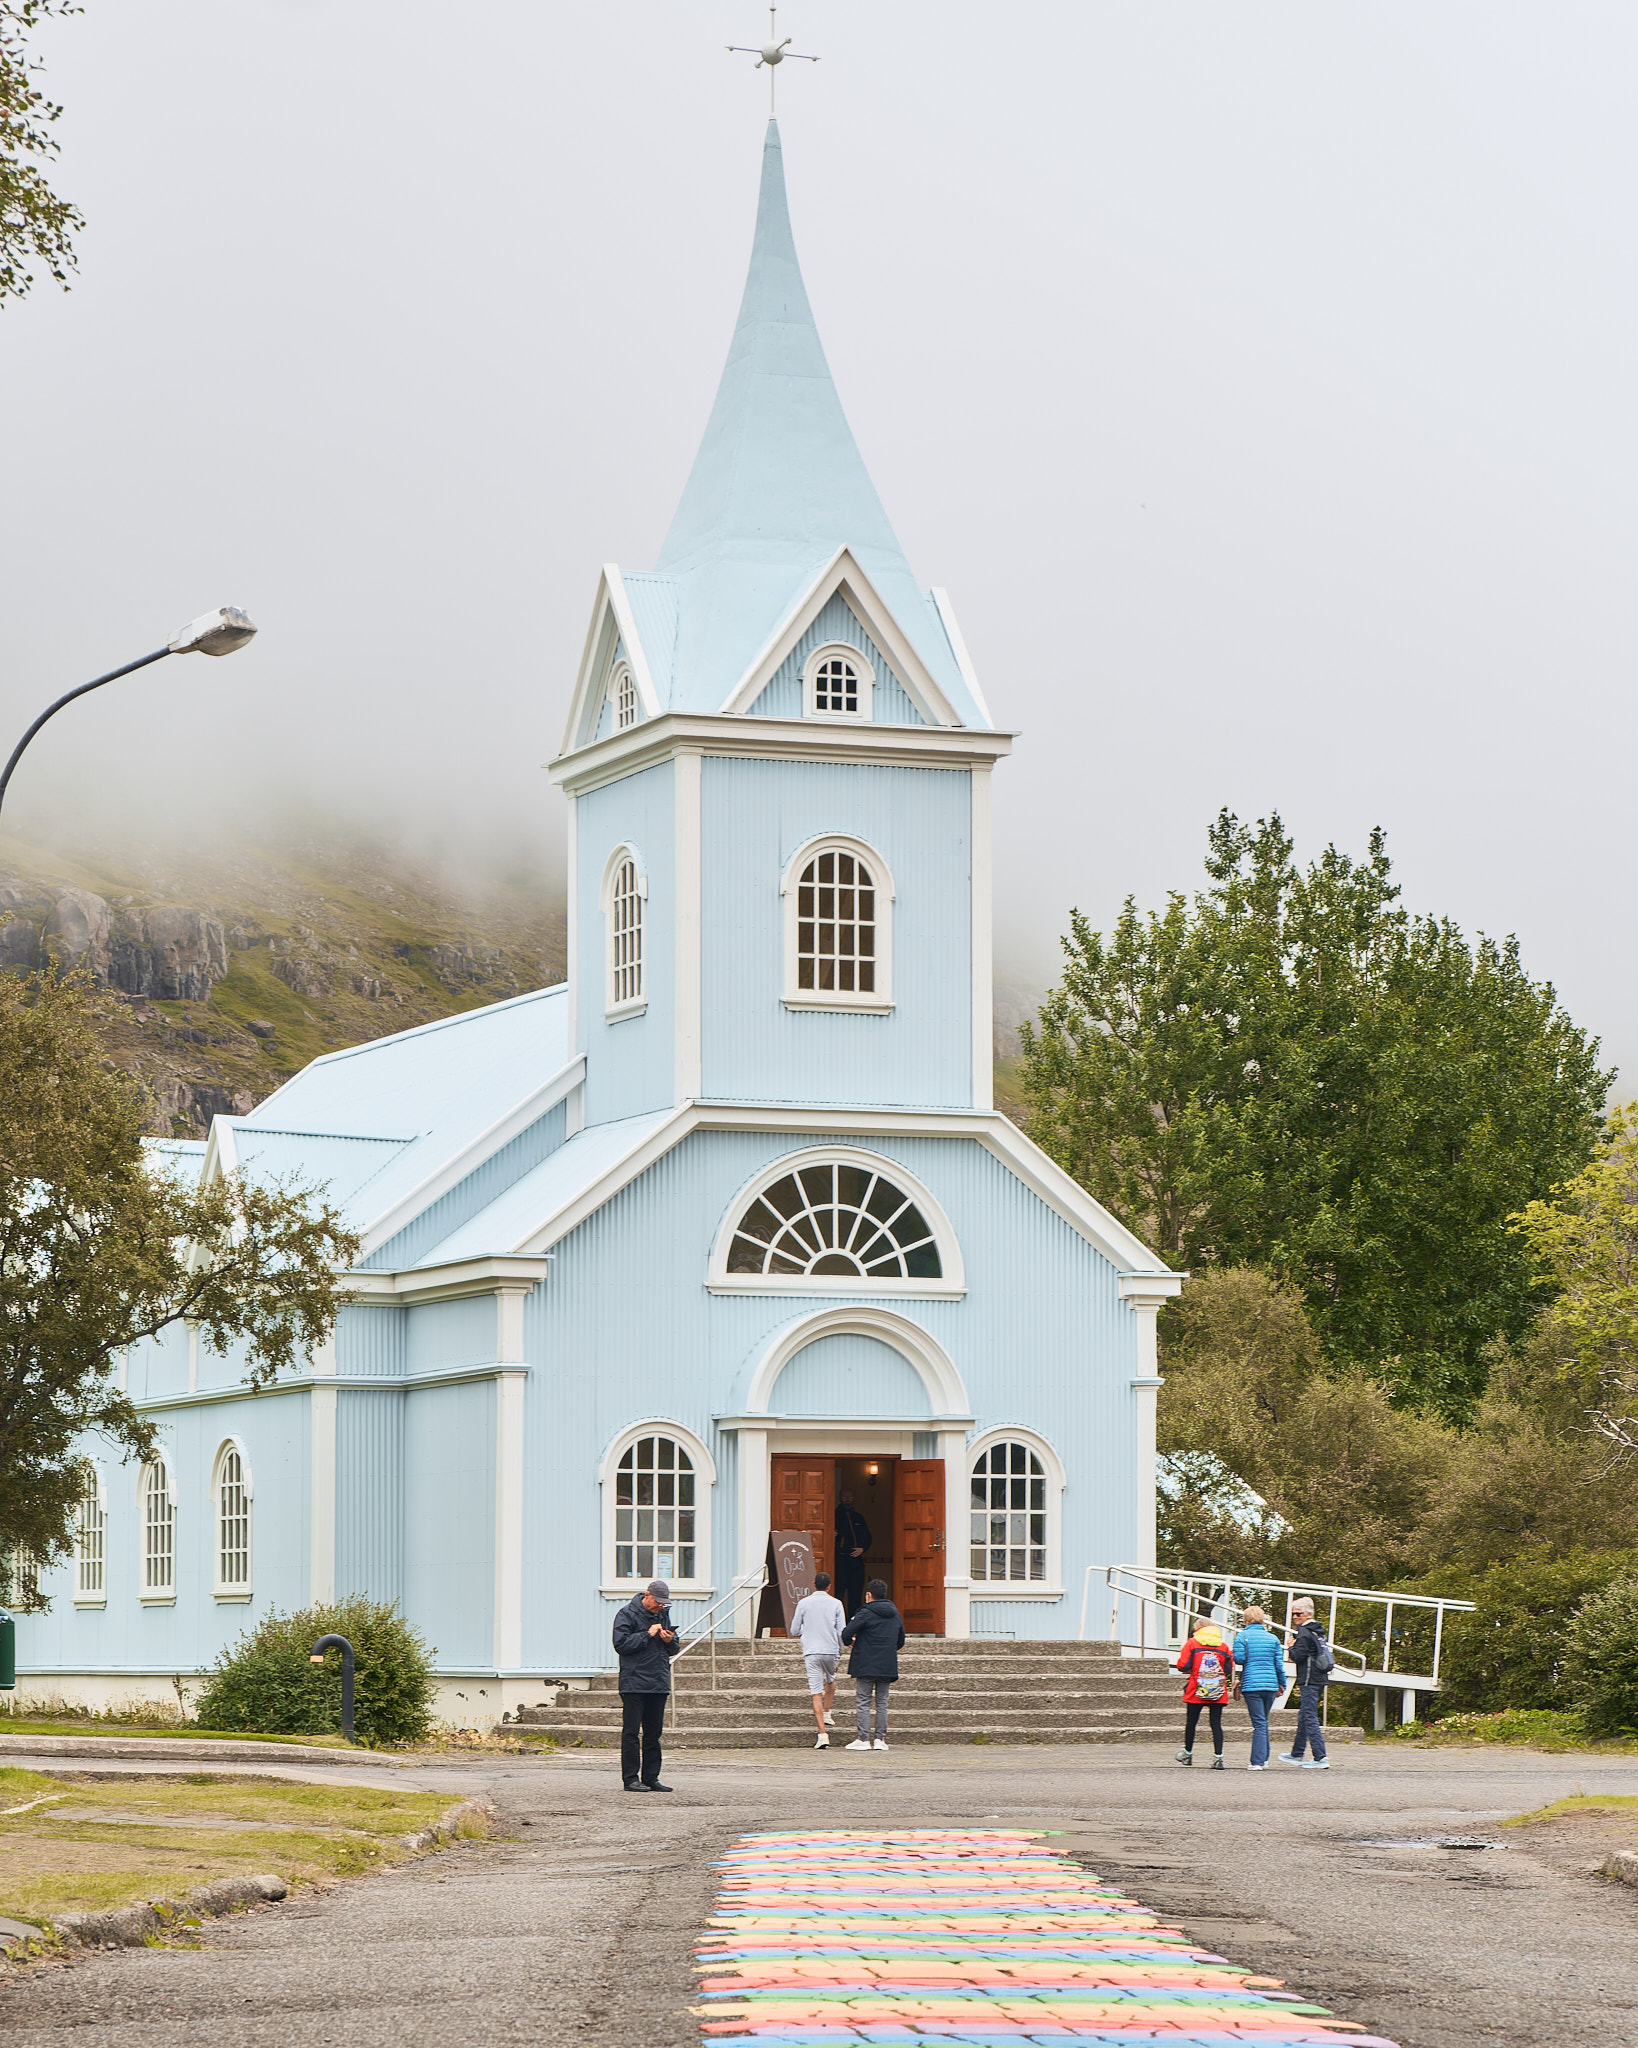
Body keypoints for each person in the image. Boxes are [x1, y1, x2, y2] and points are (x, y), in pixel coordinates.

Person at [611, 1578, 681, 1791]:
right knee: (631, 1733)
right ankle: (631, 1779)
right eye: (658, 1602)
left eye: (663, 1603)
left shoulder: (663, 1614)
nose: (660, 1606)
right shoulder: (626, 1614)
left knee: (654, 1733)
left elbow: (674, 1648)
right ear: (646, 1595)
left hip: (658, 1682)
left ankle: (651, 1778)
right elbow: (620, 1644)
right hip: (633, 1683)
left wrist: (670, 1640)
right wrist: (647, 1634)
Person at [840, 1577, 904, 1750]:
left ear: (868, 1595)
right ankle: (880, 1740)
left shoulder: (865, 1612)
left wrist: (851, 1642)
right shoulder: (895, 1613)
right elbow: (901, 1640)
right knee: (882, 1702)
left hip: (865, 1663)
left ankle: (863, 1739)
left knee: (863, 1701)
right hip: (887, 1664)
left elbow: (847, 1633)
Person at [790, 1569, 846, 1749]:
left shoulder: (804, 1603)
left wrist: (804, 1632)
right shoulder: (836, 1604)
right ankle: (828, 1711)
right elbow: (841, 1631)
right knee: (831, 1679)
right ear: (829, 1586)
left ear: (814, 1584)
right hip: (831, 1649)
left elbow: (794, 1629)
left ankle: (822, 1734)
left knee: (816, 1692)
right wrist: (839, 1652)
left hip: (812, 1651)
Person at [1232, 1604, 1287, 1771]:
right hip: (1270, 1684)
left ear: (1246, 1620)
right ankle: (1265, 1757)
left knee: (1259, 1723)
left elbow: (1239, 1659)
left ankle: (1257, 1761)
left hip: (1252, 1684)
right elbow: (1279, 1665)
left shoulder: (1242, 1637)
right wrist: (1282, 1683)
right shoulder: (1273, 1639)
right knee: (1263, 1721)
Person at [1279, 1597, 1332, 1770]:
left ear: (1308, 1613)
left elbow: (1299, 1656)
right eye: (1293, 1613)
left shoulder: (1304, 1632)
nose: (1295, 1617)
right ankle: (1297, 1753)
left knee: (1309, 1716)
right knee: (1304, 1715)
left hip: (1309, 1678)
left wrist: (1290, 1647)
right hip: (1320, 1677)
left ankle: (1320, 1757)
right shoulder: (1318, 1630)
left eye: (1298, 1613)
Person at [1173, 1615, 1232, 1768]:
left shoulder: (1192, 1643)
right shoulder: (1223, 1646)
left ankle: (1187, 1754)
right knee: (1216, 1724)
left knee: (1191, 1723)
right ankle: (1218, 1757)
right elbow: (1227, 1669)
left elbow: (1183, 1665)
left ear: (1197, 1629)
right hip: (1217, 1690)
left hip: (1196, 1688)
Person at [834, 1491, 872, 1618]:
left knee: (856, 1596)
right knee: (838, 1594)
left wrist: (862, 1549)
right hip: (841, 1560)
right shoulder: (834, 1516)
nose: (847, 1499)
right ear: (840, 1498)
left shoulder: (858, 1517)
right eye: (845, 1496)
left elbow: (868, 1537)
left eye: (850, 1497)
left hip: (856, 1562)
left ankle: (853, 1624)